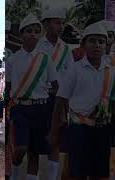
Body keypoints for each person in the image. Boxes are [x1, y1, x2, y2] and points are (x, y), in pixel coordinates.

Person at [51, 22, 114, 180]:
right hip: (79, 128)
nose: (97, 45)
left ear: (107, 45)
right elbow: (60, 99)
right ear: (83, 44)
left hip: (103, 128)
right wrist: (54, 130)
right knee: (77, 171)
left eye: (101, 41)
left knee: (100, 171)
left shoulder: (112, 72)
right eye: (92, 41)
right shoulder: (75, 69)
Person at [7, 14, 58, 180]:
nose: (33, 34)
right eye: (29, 31)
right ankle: (14, 170)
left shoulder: (46, 59)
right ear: (22, 34)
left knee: (34, 153)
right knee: (20, 149)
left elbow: (55, 85)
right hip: (20, 107)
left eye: (37, 31)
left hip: (40, 108)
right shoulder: (13, 60)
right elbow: (8, 87)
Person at [36, 8, 74, 180]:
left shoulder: (66, 49)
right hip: (39, 98)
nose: (61, 26)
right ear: (46, 24)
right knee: (35, 142)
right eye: (57, 22)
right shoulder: (37, 45)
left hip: (58, 98)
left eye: (62, 23)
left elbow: (71, 74)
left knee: (55, 140)